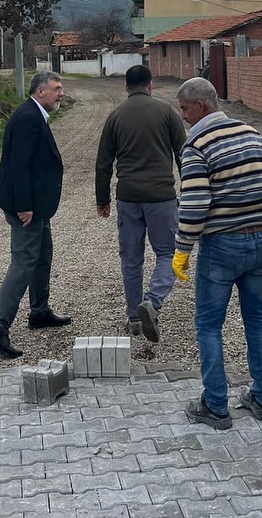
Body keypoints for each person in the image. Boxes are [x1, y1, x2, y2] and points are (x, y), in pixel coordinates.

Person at [172, 77, 262, 430]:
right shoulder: (251, 133)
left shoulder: (197, 144)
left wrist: (182, 249)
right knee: (257, 320)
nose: (183, 115)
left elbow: (195, 202)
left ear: (202, 105)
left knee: (208, 325)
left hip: (222, 246)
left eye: (185, 108)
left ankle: (216, 406)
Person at [0, 70, 69, 358]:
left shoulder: (34, 113)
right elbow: (18, 165)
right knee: (23, 263)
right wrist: (24, 206)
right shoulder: (29, 117)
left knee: (43, 256)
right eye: (56, 88)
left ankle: (39, 311)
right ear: (40, 91)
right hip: (26, 207)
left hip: (37, 206)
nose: (61, 93)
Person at [95, 65, 186, 341]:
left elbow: (103, 163)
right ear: (150, 85)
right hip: (161, 196)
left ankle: (134, 318)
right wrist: (192, 191)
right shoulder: (167, 112)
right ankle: (153, 301)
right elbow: (184, 155)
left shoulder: (115, 116)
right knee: (168, 253)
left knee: (131, 259)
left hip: (128, 196)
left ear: (125, 87)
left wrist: (103, 199)